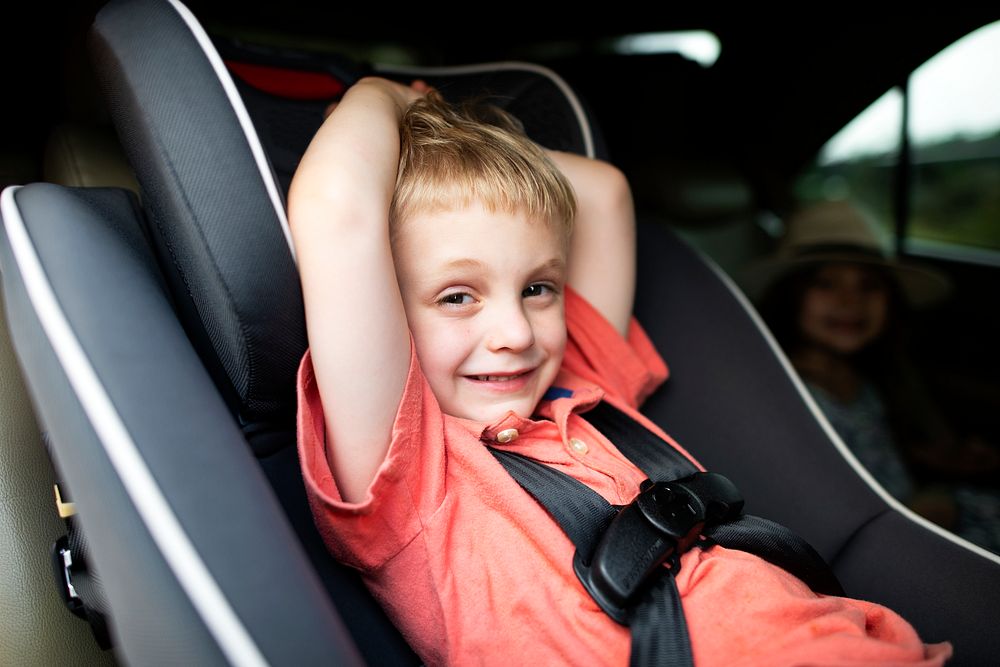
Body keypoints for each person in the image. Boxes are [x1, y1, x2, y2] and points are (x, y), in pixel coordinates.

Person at [289, 77, 951, 666]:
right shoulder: (409, 466)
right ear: (386, 314)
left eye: (538, 288)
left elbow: (604, 194)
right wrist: (383, 95)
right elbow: (336, 208)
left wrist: (464, 141)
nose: (516, 333)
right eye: (457, 296)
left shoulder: (580, 376)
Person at [749, 200, 1000, 552]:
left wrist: (945, 459)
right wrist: (923, 509)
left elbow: (875, 449)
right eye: (826, 284)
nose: (851, 301)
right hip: (880, 541)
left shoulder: (869, 372)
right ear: (790, 296)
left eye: (869, 286)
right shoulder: (785, 391)